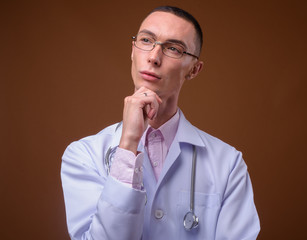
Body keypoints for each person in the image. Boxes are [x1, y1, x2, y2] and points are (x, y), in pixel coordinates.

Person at [61, 6, 260, 240]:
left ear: (194, 69)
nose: (154, 57)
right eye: (146, 40)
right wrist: (128, 144)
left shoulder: (228, 164)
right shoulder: (84, 155)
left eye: (174, 49)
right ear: (132, 51)